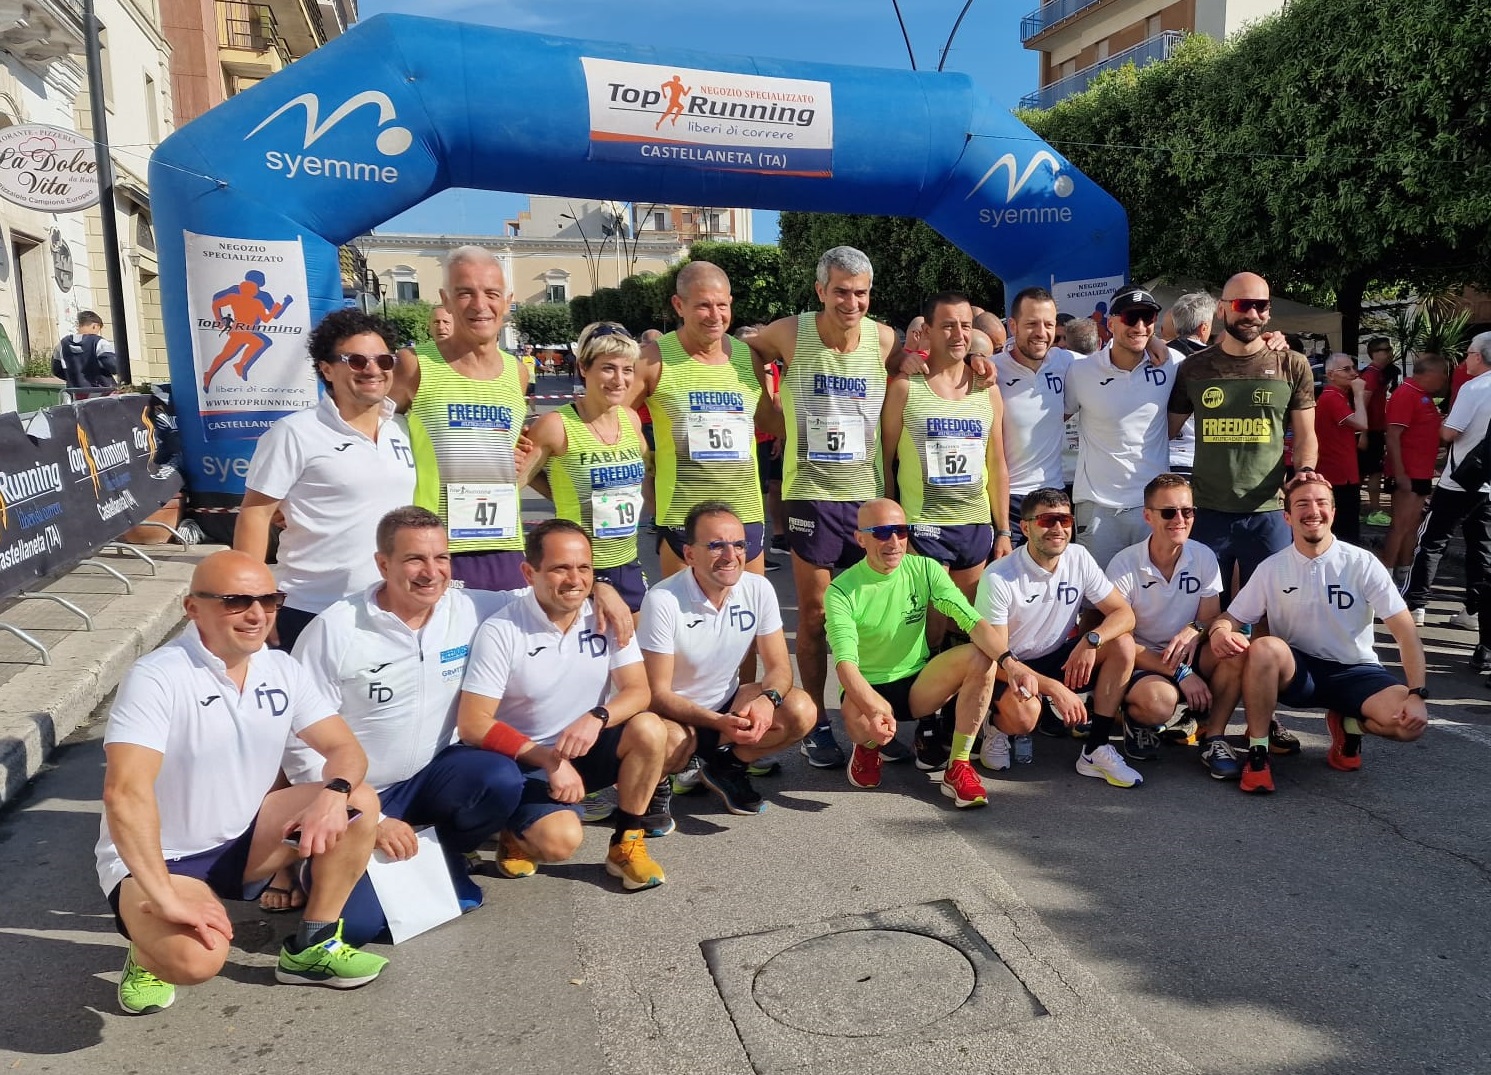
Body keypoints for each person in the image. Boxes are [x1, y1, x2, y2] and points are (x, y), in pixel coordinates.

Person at [97, 551, 387, 1016]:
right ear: (193, 608)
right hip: (163, 858)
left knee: (360, 800)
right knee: (195, 961)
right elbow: (124, 794)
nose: (257, 615)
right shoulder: (156, 676)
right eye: (236, 601)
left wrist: (333, 795)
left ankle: (311, 948)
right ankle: (145, 952)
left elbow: (346, 752)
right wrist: (164, 897)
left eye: (269, 600)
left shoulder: (282, 669)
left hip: (245, 840)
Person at [281, 507, 527, 938]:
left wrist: (603, 592)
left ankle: (440, 854)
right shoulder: (336, 630)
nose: (431, 572)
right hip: (353, 793)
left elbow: (541, 596)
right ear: (383, 564)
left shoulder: (469, 607)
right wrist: (369, 819)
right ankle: (310, 866)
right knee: (357, 927)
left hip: (429, 778)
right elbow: (298, 741)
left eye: (442, 558)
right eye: (415, 559)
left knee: (500, 778)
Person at [455, 520, 678, 891]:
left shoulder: (606, 616)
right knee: (560, 842)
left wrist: (598, 717)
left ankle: (626, 843)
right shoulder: (502, 629)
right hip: (526, 762)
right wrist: (547, 760)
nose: (574, 579)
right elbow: (473, 724)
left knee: (652, 729)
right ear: (530, 572)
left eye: (584, 568)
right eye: (560, 568)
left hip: (580, 747)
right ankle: (514, 831)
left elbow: (638, 691)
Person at [747, 247, 901, 769]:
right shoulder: (788, 332)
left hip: (865, 496)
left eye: (860, 293)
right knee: (813, 617)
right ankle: (815, 723)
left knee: (866, 618)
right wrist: (769, 410)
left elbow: (918, 368)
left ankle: (867, 717)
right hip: (810, 493)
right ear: (820, 291)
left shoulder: (883, 339)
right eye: (840, 291)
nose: (850, 302)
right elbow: (751, 349)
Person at [1204, 476, 1428, 793]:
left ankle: (1349, 725)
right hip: (1301, 673)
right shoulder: (1272, 567)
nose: (1313, 511)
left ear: (1333, 512)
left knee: (1407, 726)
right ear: (1287, 517)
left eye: (1321, 503)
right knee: (1265, 647)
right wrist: (1219, 630)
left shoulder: (1362, 563)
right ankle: (1258, 755)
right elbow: (1231, 617)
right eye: (1303, 504)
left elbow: (1406, 633)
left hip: (1356, 670)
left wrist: (1417, 694)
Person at [825, 499, 1028, 808]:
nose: (894, 542)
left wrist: (1010, 663)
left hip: (918, 684)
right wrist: (875, 707)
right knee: (864, 721)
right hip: (867, 688)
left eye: (901, 531)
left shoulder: (925, 568)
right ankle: (867, 748)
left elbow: (969, 620)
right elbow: (845, 665)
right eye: (881, 532)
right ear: (860, 538)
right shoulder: (841, 590)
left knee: (980, 656)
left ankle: (958, 765)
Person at [236, 310, 417, 652]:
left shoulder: (404, 430)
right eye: (357, 360)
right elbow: (255, 515)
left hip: (388, 609)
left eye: (383, 359)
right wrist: (253, 600)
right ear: (327, 369)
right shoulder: (294, 433)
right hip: (313, 609)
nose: (373, 369)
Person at [638, 502, 816, 815]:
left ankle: (726, 765)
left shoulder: (758, 587)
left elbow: (778, 667)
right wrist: (719, 722)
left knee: (800, 710)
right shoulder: (662, 600)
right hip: (673, 716)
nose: (730, 555)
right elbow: (657, 695)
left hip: (726, 704)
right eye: (716, 545)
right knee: (669, 742)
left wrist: (767, 700)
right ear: (690, 554)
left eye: (738, 544)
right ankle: (659, 782)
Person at [1167, 271, 1320, 607]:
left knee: (1274, 611)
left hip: (1268, 511)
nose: (1252, 314)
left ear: (1268, 311)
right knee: (1204, 612)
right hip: (1208, 511)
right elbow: (1166, 429)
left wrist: (1305, 470)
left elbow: (1307, 434)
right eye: (1242, 304)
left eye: (1260, 305)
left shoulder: (1291, 364)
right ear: (1222, 309)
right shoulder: (1194, 368)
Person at [975, 488, 1140, 785]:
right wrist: (1054, 689)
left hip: (1054, 655)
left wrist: (1092, 641)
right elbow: (994, 656)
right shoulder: (999, 576)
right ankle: (996, 727)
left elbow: (1124, 614)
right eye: (1047, 520)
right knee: (1025, 716)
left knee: (1122, 643)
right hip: (1009, 666)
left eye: (1065, 520)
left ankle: (1096, 749)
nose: (1058, 529)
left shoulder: (1078, 556)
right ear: (1025, 527)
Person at [392, 246, 530, 590]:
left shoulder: (517, 373)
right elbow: (373, 440)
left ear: (508, 301)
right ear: (446, 299)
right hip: (435, 549)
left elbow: (511, 450)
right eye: (465, 292)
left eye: (491, 293)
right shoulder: (414, 365)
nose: (480, 305)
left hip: (506, 543)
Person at [629, 263, 768, 579]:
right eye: (703, 305)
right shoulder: (653, 360)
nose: (715, 315)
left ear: (730, 303)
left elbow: (772, 421)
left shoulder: (748, 357)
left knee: (748, 619)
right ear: (679, 305)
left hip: (744, 510)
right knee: (684, 623)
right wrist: (641, 450)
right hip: (684, 514)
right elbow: (615, 415)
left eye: (721, 305)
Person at [881, 291, 1011, 609]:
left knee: (965, 625)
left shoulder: (987, 389)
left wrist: (1004, 530)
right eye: (948, 325)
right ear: (927, 331)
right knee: (929, 628)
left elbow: (996, 463)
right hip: (923, 525)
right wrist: (891, 527)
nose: (958, 334)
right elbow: (883, 460)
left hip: (975, 525)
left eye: (965, 325)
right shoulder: (905, 388)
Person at [521, 322, 650, 613]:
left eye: (627, 369)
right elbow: (517, 479)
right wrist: (563, 494)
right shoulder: (556, 425)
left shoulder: (631, 419)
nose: (619, 380)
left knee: (636, 654)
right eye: (608, 368)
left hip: (628, 561)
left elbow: (642, 471)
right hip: (578, 569)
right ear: (583, 368)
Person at [1106, 475, 1229, 773]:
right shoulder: (1124, 564)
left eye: (1187, 512)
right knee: (1160, 703)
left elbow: (1211, 617)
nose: (1180, 519)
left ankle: (1214, 735)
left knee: (1235, 651)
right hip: (1143, 658)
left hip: (1189, 650)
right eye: (1168, 512)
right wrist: (1181, 671)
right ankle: (1135, 718)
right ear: (1148, 516)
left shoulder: (1203, 555)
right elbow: (1120, 643)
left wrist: (1195, 628)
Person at [1065, 286, 1184, 569]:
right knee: (1096, 605)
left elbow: (1223, 361)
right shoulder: (1080, 370)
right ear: (1111, 321)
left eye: (1148, 317)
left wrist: (1270, 340)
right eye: (1132, 318)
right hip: (1097, 508)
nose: (1140, 326)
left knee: (1153, 600)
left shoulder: (1173, 363)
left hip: (1153, 508)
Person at [1404, 333, 1491, 671]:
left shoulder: (1475, 388)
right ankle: (1473, 611)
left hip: (1459, 481)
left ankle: (1416, 603)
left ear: (1480, 357)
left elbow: (1450, 432)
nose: (1464, 361)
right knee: (1481, 551)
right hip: (1487, 487)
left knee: (1432, 540)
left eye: (1468, 354)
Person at [994, 287, 1076, 538]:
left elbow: (1115, 358)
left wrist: (1154, 343)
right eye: (1032, 324)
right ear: (1013, 326)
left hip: (1055, 495)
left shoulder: (1067, 362)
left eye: (1048, 324)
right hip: (1008, 501)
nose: (1042, 333)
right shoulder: (990, 369)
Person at [1380, 353, 1448, 579]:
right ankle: (1386, 574)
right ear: (1430, 374)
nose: (1444, 380)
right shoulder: (1406, 394)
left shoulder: (1424, 396)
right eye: (1442, 375)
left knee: (1412, 524)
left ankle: (1404, 570)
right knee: (1401, 524)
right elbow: (1393, 435)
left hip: (1421, 469)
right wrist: (1399, 473)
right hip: (1408, 470)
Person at [1314, 353, 1369, 548]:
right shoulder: (1332, 397)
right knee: (1345, 534)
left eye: (1354, 368)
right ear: (1331, 374)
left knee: (1346, 531)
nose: (1353, 373)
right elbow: (1362, 423)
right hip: (1337, 476)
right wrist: (1359, 395)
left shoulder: (1337, 397)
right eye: (1346, 369)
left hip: (1343, 473)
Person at [1163, 291, 1216, 477]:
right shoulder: (1217, 361)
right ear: (1204, 327)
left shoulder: (1154, 357)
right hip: (1201, 459)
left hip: (1159, 458)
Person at [1358, 337, 1400, 526]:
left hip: (1375, 429)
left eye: (1390, 349)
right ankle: (1373, 511)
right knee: (1373, 472)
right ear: (1373, 353)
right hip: (1370, 430)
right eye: (1384, 349)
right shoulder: (1372, 374)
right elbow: (1362, 405)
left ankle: (1363, 509)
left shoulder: (1380, 374)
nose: (1389, 353)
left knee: (1369, 471)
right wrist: (1364, 433)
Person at [52, 310, 118, 397]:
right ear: (95, 326)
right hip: (102, 395)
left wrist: (73, 378)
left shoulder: (62, 344)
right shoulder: (99, 342)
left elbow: (56, 369)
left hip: (76, 395)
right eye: (99, 329)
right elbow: (113, 366)